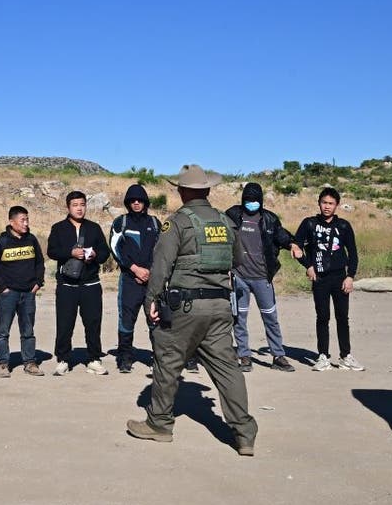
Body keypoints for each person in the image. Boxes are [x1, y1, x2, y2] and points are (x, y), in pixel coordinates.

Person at [126, 165, 257, 456]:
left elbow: (161, 265)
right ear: (208, 190)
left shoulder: (178, 223)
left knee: (167, 360)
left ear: (183, 192)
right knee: (227, 369)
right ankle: (244, 433)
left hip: (186, 306)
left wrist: (152, 301)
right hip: (221, 306)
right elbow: (237, 260)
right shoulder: (226, 222)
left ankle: (159, 423)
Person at [225, 182, 303, 373]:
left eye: (255, 200)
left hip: (262, 278)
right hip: (239, 276)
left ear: (260, 201)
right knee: (239, 318)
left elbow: (281, 236)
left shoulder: (269, 219)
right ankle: (244, 356)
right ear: (243, 200)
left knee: (270, 317)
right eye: (248, 200)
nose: (251, 203)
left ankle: (278, 356)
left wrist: (292, 244)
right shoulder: (233, 215)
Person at [294, 187, 362, 371]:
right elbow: (297, 246)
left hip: (340, 277)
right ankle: (323, 356)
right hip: (320, 278)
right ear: (319, 203)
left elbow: (353, 253)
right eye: (324, 202)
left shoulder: (343, 226)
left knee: (342, 317)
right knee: (322, 317)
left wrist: (350, 276)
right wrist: (307, 265)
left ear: (337, 205)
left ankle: (346, 355)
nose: (327, 207)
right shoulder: (309, 224)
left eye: (331, 203)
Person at [46, 191, 112, 375]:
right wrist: (71, 253)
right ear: (68, 207)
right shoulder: (58, 228)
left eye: (82, 204)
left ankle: (93, 358)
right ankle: (63, 358)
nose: (79, 208)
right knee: (65, 323)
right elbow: (51, 251)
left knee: (93, 323)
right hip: (67, 285)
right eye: (75, 205)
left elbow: (105, 252)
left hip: (90, 284)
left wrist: (95, 255)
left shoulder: (94, 228)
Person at [0, 205, 46, 377]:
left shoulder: (32, 239)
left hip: (29, 293)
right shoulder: (2, 241)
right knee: (3, 331)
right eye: (23, 220)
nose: (26, 223)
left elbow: (40, 263)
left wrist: (38, 283)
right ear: (12, 222)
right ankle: (3, 363)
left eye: (27, 219)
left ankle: (30, 362)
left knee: (28, 331)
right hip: (8, 294)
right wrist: (2, 287)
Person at [109, 184, 161, 373]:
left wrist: (149, 272)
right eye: (132, 200)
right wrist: (135, 269)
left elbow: (162, 251)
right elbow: (115, 247)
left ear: (145, 202)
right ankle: (125, 358)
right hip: (129, 280)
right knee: (126, 320)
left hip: (152, 281)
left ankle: (159, 359)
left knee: (155, 319)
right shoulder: (120, 222)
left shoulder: (155, 223)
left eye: (139, 200)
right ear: (128, 203)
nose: (136, 203)